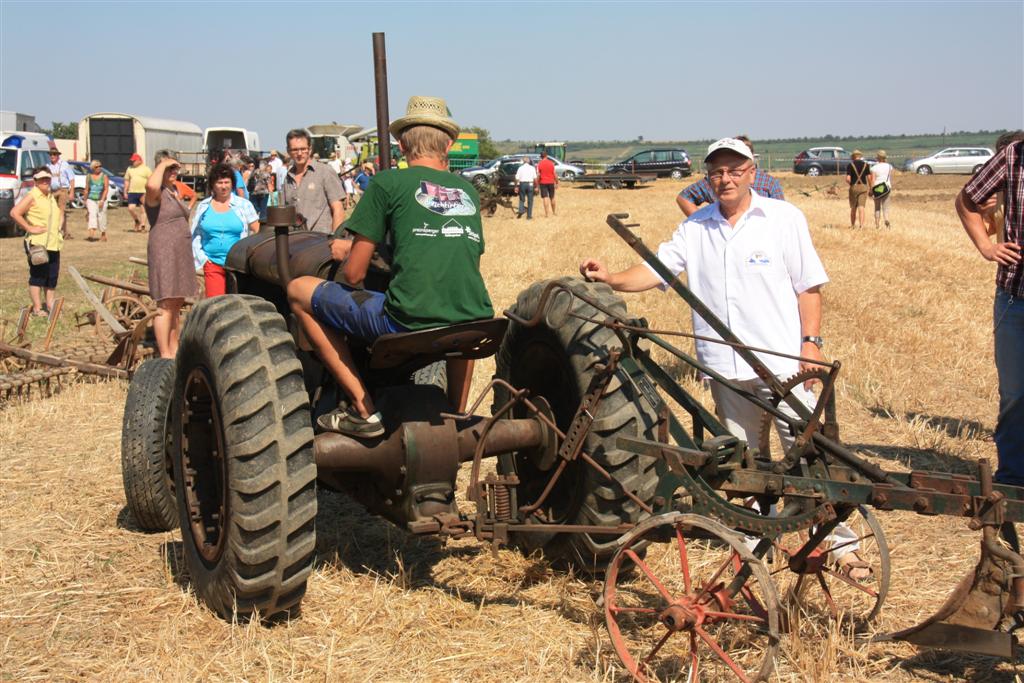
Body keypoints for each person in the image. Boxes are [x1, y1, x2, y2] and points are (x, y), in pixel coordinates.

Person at [580, 137, 869, 579]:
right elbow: (657, 270)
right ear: (708, 177)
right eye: (717, 172)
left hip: (781, 364)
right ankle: (753, 542)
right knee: (743, 461)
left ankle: (840, 545)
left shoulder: (783, 219)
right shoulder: (697, 228)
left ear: (753, 173)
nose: (725, 179)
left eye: (735, 170)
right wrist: (611, 278)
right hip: (722, 366)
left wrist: (810, 342)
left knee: (808, 454)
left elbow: (808, 286)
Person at [287, 95, 493, 437]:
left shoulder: (386, 183)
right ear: (450, 144)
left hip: (405, 320)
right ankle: (456, 416)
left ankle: (365, 409)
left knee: (297, 291)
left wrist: (347, 251)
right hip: (476, 318)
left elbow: (354, 275)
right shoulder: (467, 190)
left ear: (401, 143)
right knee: (461, 316)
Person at [955, 131, 1024, 487]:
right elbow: (967, 200)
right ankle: (1012, 481)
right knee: (1015, 395)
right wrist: (986, 245)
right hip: (1016, 298)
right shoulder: (1012, 156)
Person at [145, 151, 198, 358]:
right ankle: (165, 353)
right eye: (169, 168)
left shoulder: (173, 190)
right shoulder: (156, 193)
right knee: (165, 303)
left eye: (175, 168)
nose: (174, 172)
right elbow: (150, 185)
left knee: (176, 302)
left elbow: (192, 197)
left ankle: (174, 349)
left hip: (180, 249)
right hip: (164, 250)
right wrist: (164, 163)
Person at [191, 163, 260, 297]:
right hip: (212, 263)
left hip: (238, 265)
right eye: (219, 182)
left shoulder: (243, 205)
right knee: (216, 305)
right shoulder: (204, 206)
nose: (223, 186)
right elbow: (195, 235)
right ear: (212, 185)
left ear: (232, 183)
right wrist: (203, 259)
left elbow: (257, 230)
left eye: (227, 182)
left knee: (236, 303)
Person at [676, 135, 783, 216]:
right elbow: (684, 198)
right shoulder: (714, 180)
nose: (725, 180)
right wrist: (703, 222)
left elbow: (779, 213)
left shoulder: (769, 183)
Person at [10, 168, 63, 317]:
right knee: (38, 275)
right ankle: (38, 308)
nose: (45, 181)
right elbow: (15, 213)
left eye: (47, 179)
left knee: (52, 275)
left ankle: (51, 304)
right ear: (36, 181)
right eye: (42, 179)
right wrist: (29, 227)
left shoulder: (50, 196)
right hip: (37, 243)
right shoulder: (32, 195)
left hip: (53, 243)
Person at [280, 128, 345, 233]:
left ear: (310, 149)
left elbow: (338, 209)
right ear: (288, 151)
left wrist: (335, 239)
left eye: (303, 149)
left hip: (321, 241)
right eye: (295, 150)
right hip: (296, 240)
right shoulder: (288, 177)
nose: (300, 153)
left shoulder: (325, 171)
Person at [46, 147, 75, 239]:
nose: (52, 156)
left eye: (54, 154)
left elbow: (71, 179)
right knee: (53, 211)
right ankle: (63, 231)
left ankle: (57, 231)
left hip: (63, 189)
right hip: (52, 191)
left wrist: (72, 192)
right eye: (50, 154)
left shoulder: (64, 165)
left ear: (58, 155)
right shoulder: (48, 166)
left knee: (61, 211)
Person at [123, 153, 152, 232]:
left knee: (143, 210)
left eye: (134, 161)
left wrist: (149, 191)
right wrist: (125, 191)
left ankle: (143, 226)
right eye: (132, 161)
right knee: (130, 208)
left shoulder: (146, 169)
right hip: (132, 192)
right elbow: (127, 180)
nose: (133, 162)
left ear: (139, 160)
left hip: (143, 192)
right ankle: (137, 221)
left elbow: (151, 180)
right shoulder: (129, 169)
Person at [868, 150, 893, 229]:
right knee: (885, 207)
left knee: (877, 207)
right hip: (887, 187)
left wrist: (871, 190)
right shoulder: (889, 166)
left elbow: (872, 180)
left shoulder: (874, 168)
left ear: (877, 158)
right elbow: (889, 176)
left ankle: (877, 224)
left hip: (877, 189)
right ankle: (886, 219)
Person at [85, 160, 109, 242]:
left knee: (102, 217)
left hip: (101, 199)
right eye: (96, 167)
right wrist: (85, 200)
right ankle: (91, 234)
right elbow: (86, 189)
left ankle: (103, 234)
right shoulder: (89, 176)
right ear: (92, 168)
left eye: (100, 166)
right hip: (91, 199)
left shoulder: (104, 176)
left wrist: (102, 200)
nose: (99, 168)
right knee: (92, 215)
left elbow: (106, 189)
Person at [846, 150, 871, 229]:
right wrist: (871, 187)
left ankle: (853, 225)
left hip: (854, 187)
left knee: (853, 207)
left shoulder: (850, 165)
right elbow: (869, 177)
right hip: (863, 187)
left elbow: (848, 179)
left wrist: (851, 184)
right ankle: (861, 226)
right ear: (860, 156)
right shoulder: (866, 165)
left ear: (853, 157)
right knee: (861, 207)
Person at [537, 150, 559, 217]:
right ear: (546, 156)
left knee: (545, 198)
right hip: (551, 182)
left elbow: (538, 175)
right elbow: (555, 174)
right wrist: (557, 182)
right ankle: (554, 212)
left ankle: (547, 214)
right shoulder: (551, 163)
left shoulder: (539, 164)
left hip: (543, 182)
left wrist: (537, 184)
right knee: (552, 197)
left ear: (541, 157)